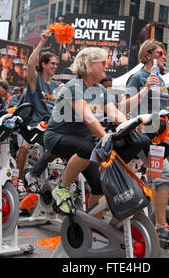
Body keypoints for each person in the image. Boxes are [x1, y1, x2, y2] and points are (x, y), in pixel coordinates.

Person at [119, 39, 169, 244]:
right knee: (163, 172)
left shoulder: (161, 79)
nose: (164, 56)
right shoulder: (137, 77)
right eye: (160, 52)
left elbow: (157, 109)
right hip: (143, 134)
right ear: (148, 55)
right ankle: (159, 225)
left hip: (163, 133)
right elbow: (123, 108)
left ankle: (158, 194)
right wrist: (145, 89)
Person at [44, 47, 127, 215]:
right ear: (89, 64)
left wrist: (131, 126)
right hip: (57, 137)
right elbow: (89, 119)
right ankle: (62, 188)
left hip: (83, 144)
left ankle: (94, 228)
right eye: (103, 63)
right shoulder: (74, 86)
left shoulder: (101, 90)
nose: (106, 66)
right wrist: (106, 139)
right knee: (88, 148)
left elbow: (114, 113)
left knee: (99, 185)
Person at [17, 30, 61, 190]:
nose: (55, 67)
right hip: (30, 122)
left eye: (56, 64)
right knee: (24, 148)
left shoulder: (56, 86)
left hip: (49, 125)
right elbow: (29, 64)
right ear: (43, 64)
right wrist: (42, 42)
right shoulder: (35, 80)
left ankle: (43, 176)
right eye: (52, 63)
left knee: (60, 146)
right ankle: (19, 179)